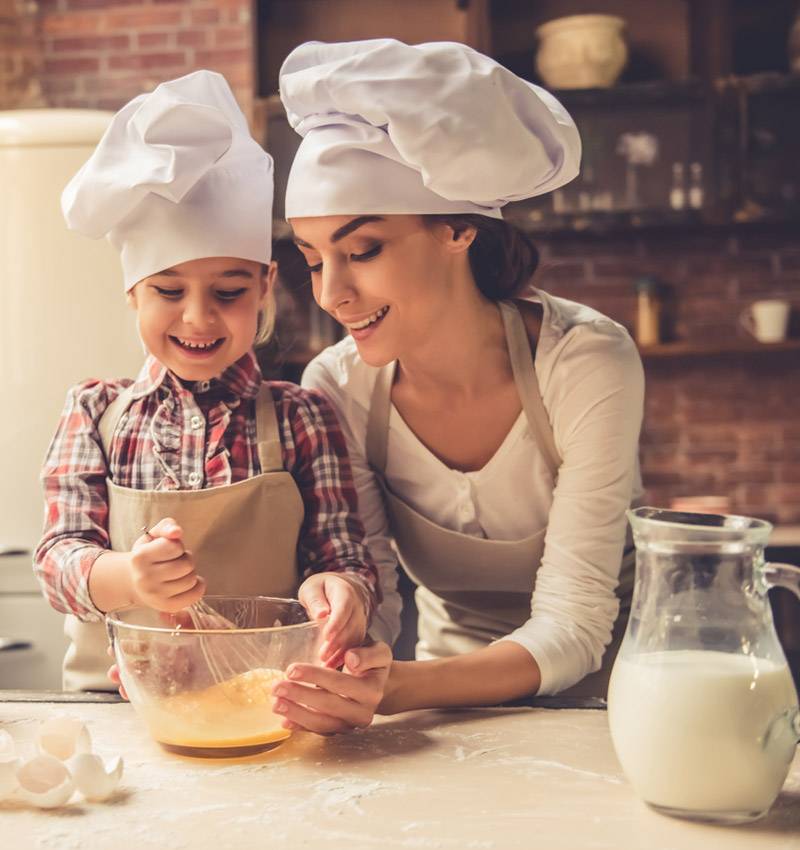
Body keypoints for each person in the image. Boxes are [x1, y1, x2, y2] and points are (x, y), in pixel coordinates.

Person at [267, 39, 645, 734]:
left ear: (458, 229)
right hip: (444, 712)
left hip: (616, 703)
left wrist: (398, 688)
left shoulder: (585, 360)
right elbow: (374, 599)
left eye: (363, 251)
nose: (332, 294)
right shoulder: (337, 387)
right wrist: (341, 632)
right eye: (313, 260)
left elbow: (577, 623)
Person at [34, 70, 379, 693]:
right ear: (133, 292)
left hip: (264, 704)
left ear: (265, 287)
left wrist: (343, 592)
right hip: (119, 709)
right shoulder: (95, 412)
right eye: (169, 291)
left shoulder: (304, 416)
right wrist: (129, 578)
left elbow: (343, 556)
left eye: (228, 291)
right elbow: (59, 559)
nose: (198, 317)